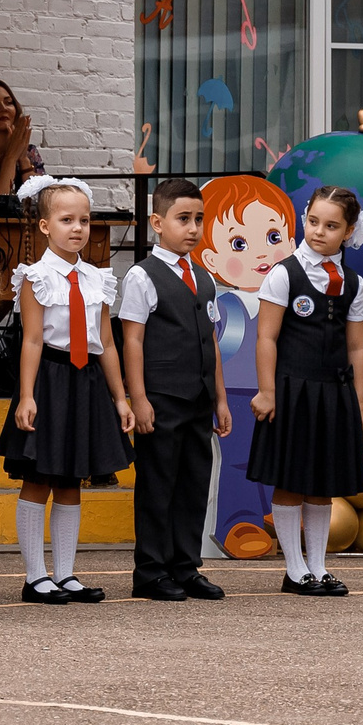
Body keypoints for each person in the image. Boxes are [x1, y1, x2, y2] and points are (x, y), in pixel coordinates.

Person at [0, 176, 134, 604]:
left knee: (72, 480)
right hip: (50, 382)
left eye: (84, 221)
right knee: (39, 478)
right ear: (44, 226)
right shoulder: (35, 277)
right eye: (66, 219)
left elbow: (107, 342)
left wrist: (120, 397)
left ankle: (66, 574)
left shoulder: (99, 279)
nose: (77, 228)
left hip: (87, 383)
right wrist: (27, 395)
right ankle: (35, 577)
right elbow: (33, 340)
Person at [247, 187, 363, 594]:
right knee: (291, 478)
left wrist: (358, 401)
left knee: (322, 483)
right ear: (305, 218)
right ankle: (294, 568)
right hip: (292, 390)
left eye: (331, 225)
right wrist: (267, 392)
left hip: (333, 394)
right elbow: (266, 338)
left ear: (348, 231)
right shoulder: (285, 273)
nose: (319, 231)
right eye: (313, 221)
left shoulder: (354, 283)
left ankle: (318, 567)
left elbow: (356, 346)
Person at [120, 177, 234, 601]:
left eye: (199, 220)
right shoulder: (142, 276)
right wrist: (140, 398)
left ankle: (185, 568)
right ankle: (150, 571)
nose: (192, 228)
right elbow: (131, 340)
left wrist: (220, 398)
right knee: (158, 484)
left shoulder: (204, 278)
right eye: (183, 219)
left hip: (200, 398)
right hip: (162, 398)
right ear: (157, 222)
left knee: (192, 483)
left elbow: (212, 341)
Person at [197, 174, 296, 559]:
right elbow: (212, 350)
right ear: (211, 258)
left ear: (291, 241)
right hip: (235, 393)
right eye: (240, 243)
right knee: (237, 459)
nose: (262, 253)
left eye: (273, 238)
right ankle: (238, 522)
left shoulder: (291, 304)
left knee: (278, 451)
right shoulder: (226, 307)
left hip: (282, 389)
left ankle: (274, 509)